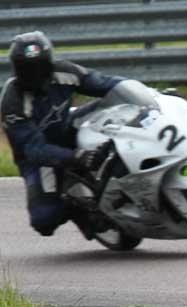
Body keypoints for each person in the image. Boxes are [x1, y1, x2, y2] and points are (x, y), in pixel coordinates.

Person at [1, 31, 125, 237]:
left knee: (113, 107)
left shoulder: (65, 71)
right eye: (26, 69)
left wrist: (147, 93)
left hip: (67, 129)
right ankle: (77, 208)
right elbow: (34, 148)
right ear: (16, 69)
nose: (34, 74)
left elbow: (106, 83)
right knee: (44, 220)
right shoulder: (13, 101)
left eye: (39, 67)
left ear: (49, 62)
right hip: (38, 159)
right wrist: (75, 158)